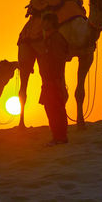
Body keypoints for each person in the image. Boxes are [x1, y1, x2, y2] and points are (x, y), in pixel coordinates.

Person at [37, 13, 69, 146]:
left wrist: (56, 79)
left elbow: (58, 60)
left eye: (46, 21)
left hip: (54, 80)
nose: (43, 24)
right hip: (48, 80)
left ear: (51, 23)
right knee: (50, 109)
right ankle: (57, 137)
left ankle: (60, 137)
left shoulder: (56, 39)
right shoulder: (49, 39)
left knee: (56, 109)